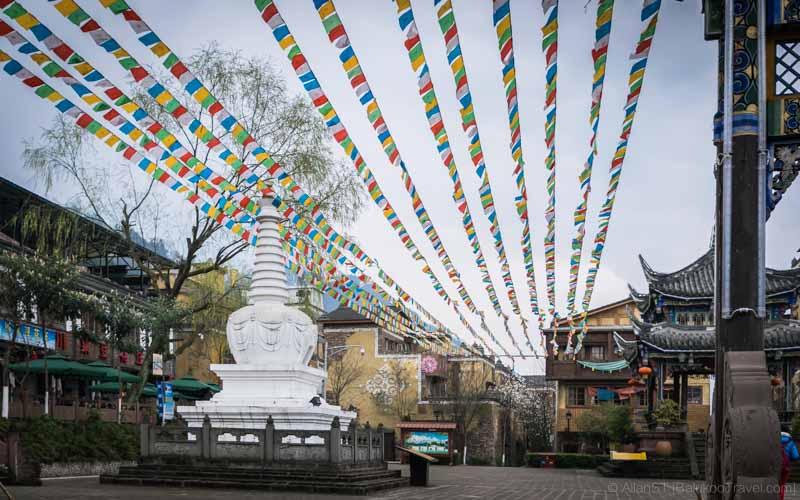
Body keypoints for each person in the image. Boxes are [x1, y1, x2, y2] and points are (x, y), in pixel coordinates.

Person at [781, 431, 799, 500]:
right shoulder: (791, 442)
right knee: (782, 485)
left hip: (774, 468)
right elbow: (795, 456)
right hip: (785, 468)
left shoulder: (773, 440)